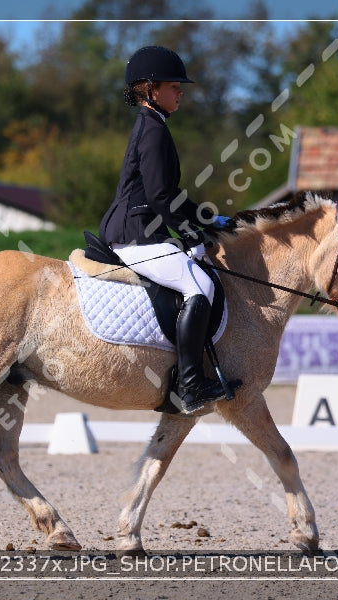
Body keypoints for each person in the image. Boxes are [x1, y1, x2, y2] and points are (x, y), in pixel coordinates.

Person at [98, 45, 232, 415]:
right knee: (200, 286)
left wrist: (208, 221)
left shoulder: (152, 125)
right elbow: (160, 196)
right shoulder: (153, 130)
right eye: (175, 86)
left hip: (141, 229)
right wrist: (191, 233)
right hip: (135, 234)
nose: (181, 92)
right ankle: (190, 385)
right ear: (152, 89)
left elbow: (167, 195)